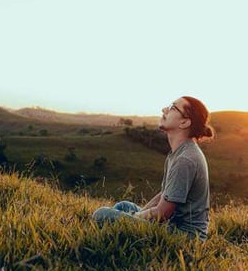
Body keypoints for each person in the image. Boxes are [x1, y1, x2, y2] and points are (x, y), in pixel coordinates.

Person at [92, 96, 215, 240]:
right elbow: (165, 194)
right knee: (124, 206)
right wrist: (139, 214)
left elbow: (162, 213)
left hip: (184, 237)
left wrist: (136, 217)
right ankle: (116, 236)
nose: (164, 110)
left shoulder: (185, 159)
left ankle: (116, 237)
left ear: (185, 122)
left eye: (173, 108)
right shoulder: (180, 152)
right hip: (171, 225)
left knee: (101, 214)